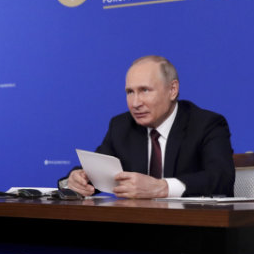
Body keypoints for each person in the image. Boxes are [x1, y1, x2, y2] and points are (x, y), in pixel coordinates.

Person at [62, 55, 234, 199]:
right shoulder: (122, 126)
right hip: (136, 230)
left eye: (145, 90)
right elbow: (98, 172)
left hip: (194, 230)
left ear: (172, 90)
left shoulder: (206, 124)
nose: (135, 103)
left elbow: (221, 178)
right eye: (130, 92)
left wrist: (162, 187)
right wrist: (77, 180)